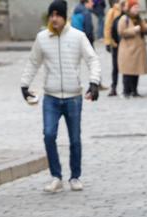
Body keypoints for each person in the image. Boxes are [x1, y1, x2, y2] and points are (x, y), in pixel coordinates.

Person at [20, 1, 101, 195]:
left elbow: (92, 59)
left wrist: (94, 82)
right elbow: (33, 62)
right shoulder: (42, 38)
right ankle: (56, 176)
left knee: (75, 139)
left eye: (58, 15)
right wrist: (24, 85)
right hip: (51, 97)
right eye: (51, 15)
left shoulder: (78, 36)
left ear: (65, 17)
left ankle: (75, 176)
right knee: (49, 135)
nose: (54, 18)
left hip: (73, 97)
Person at [117, 0, 147, 97]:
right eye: (134, 7)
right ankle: (126, 91)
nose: (136, 9)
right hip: (128, 49)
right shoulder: (124, 18)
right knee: (128, 72)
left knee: (136, 71)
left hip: (138, 49)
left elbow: (145, 30)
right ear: (130, 8)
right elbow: (121, 32)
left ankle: (134, 91)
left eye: (137, 7)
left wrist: (146, 27)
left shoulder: (139, 18)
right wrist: (133, 30)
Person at [103, 0, 124, 96]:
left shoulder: (126, 9)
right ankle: (114, 87)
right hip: (116, 43)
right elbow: (108, 27)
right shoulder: (112, 11)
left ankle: (127, 87)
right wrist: (108, 42)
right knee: (115, 66)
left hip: (126, 43)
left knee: (127, 66)